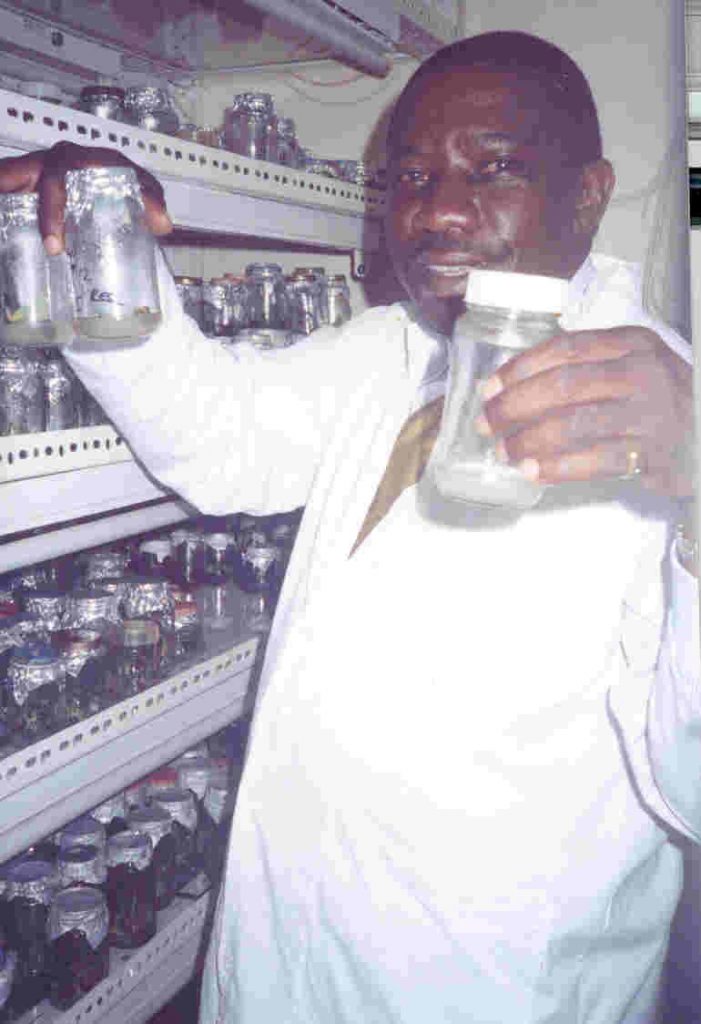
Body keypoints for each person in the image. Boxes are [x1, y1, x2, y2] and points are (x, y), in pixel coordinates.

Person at [1, 29, 697, 1023]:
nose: (438, 210)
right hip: (291, 954)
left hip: (489, 988)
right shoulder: (388, 349)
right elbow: (218, 437)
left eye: (492, 168)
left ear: (586, 193)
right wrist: (100, 244)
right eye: (412, 173)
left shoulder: (659, 418)